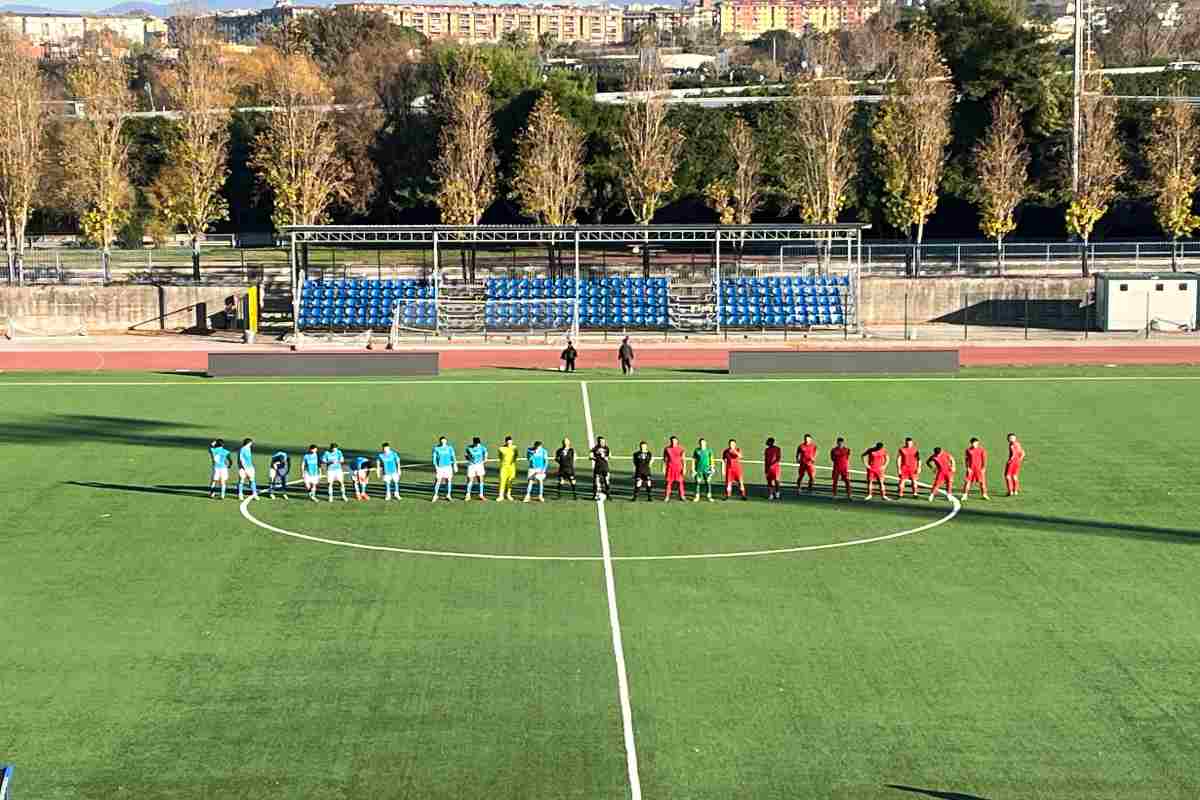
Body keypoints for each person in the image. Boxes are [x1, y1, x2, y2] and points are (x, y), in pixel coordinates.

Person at [431, 435, 457, 502]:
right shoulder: (436, 448)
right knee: (438, 481)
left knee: (448, 481)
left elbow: (453, 457)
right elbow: (434, 459)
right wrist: (436, 467)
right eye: (442, 441)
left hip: (448, 467)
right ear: (440, 442)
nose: (443, 442)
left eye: (444, 441)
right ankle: (435, 495)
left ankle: (448, 495)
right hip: (440, 467)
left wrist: (455, 465)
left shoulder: (449, 448)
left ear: (446, 441)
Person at [464, 436, 488, 501]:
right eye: (476, 443)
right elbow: (466, 456)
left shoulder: (482, 448)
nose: (477, 444)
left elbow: (485, 454)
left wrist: (485, 459)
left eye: (478, 443)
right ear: (473, 443)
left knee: (480, 480)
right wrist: (468, 458)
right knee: (470, 480)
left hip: (479, 465)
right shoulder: (469, 448)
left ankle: (481, 495)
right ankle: (468, 495)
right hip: (471, 466)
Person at [663, 436, 687, 501]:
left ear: (677, 441)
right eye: (672, 441)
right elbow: (665, 459)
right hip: (670, 468)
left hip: (679, 468)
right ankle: (667, 496)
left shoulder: (681, 449)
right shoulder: (667, 449)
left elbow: (683, 459)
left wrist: (684, 468)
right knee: (668, 482)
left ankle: (682, 496)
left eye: (674, 441)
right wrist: (664, 468)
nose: (673, 442)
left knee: (680, 482)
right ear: (670, 442)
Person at [691, 437, 715, 502]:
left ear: (705, 443)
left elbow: (711, 460)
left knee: (708, 482)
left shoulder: (709, 451)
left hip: (707, 469)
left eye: (703, 443)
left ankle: (709, 496)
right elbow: (693, 460)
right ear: (699, 444)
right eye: (701, 443)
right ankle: (697, 496)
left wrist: (712, 468)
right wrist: (693, 469)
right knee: (698, 482)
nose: (702, 444)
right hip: (698, 469)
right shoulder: (696, 450)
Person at [496, 436, 518, 502]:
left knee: (510, 481)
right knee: (502, 481)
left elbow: (516, 455)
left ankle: (508, 495)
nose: (509, 443)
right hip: (504, 467)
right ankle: (500, 496)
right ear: (505, 442)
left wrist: (512, 462)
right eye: (508, 442)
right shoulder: (501, 449)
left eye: (510, 442)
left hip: (512, 467)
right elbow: (500, 456)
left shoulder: (515, 448)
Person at [1004, 432, 1025, 497]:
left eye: (1011, 438)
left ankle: (1010, 491)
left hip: (1012, 462)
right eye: (1010, 438)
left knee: (1007, 476)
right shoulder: (1018, 444)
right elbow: (1023, 453)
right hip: (1017, 462)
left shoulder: (1012, 445)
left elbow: (1013, 453)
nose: (1010, 439)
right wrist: (1020, 459)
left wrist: (1010, 460)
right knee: (1014, 476)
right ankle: (1015, 491)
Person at [591, 436, 612, 500]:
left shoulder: (607, 448)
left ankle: (608, 495)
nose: (603, 442)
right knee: (596, 482)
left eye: (604, 441)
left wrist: (606, 457)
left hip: (605, 467)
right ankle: (595, 495)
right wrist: (595, 458)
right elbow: (590, 455)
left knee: (607, 482)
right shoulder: (595, 448)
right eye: (601, 441)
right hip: (597, 468)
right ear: (598, 442)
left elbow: (610, 455)